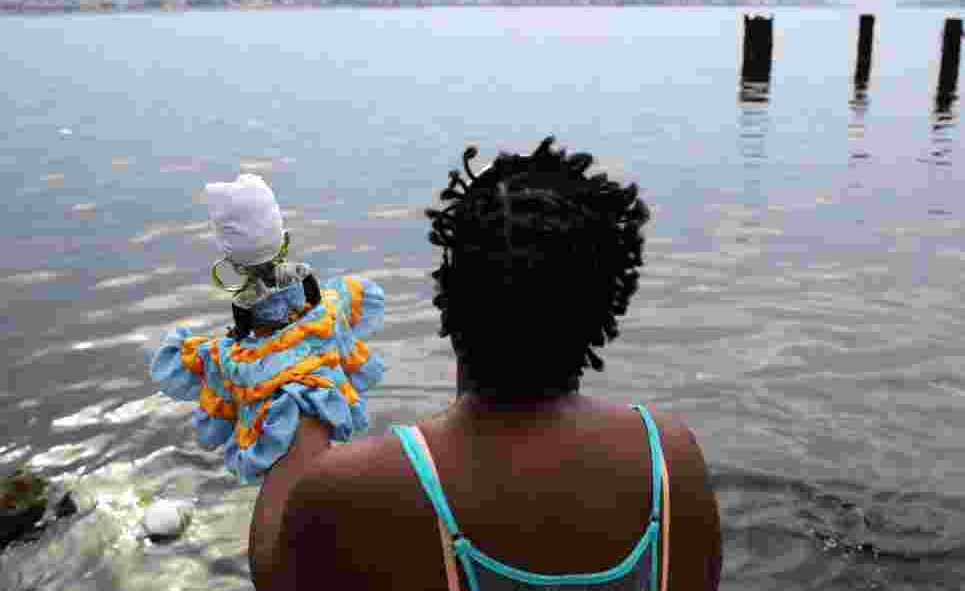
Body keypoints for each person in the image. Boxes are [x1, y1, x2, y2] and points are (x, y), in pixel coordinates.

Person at [249, 138, 722, 590]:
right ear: (604, 302)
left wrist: (299, 381)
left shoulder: (355, 487)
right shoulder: (670, 463)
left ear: (448, 299)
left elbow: (276, 573)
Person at [149, 174, 386, 484]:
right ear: (283, 239)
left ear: (231, 263)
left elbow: (235, 326)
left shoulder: (238, 330)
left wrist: (230, 340)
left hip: (263, 357)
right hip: (310, 339)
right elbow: (327, 294)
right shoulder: (315, 294)